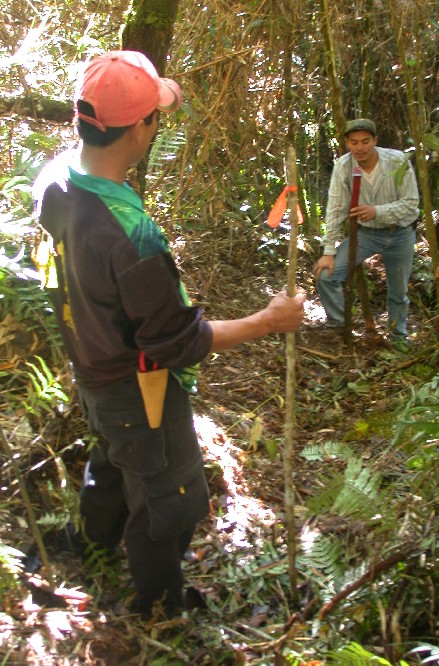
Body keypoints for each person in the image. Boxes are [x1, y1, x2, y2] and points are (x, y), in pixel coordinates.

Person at [32, 50, 305, 619]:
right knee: (170, 499)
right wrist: (268, 322)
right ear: (141, 128)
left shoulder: (55, 179)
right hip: (140, 387)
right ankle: (159, 606)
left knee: (111, 460)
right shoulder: (132, 240)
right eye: (156, 115)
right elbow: (179, 341)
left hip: (93, 370)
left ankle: (91, 546)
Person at [313, 118, 420, 340]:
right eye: (353, 142)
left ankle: (398, 337)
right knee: (325, 275)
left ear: (375, 141)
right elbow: (336, 208)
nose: (359, 148)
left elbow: (411, 202)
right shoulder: (344, 166)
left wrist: (377, 211)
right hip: (366, 234)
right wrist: (329, 251)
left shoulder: (397, 160)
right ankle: (340, 324)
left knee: (399, 293)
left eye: (365, 141)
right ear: (346, 143)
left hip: (401, 234)